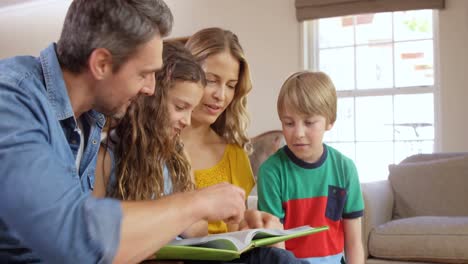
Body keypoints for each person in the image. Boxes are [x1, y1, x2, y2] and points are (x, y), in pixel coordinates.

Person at [0, 1, 248, 263]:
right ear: (102, 64)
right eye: (145, 74)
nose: (151, 89)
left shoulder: (90, 118)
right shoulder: (12, 102)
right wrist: (196, 203)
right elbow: (71, 237)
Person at [93, 41, 208, 238]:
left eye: (192, 110)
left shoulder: (177, 154)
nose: (187, 121)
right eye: (180, 107)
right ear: (151, 99)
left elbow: (200, 228)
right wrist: (178, 218)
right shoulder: (105, 156)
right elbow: (96, 230)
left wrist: (185, 218)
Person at [257, 71, 365, 263]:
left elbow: (354, 242)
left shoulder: (345, 168)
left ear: (330, 121)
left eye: (309, 122)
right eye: (288, 123)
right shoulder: (271, 172)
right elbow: (276, 246)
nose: (298, 133)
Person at [182, 27, 257, 234]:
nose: (221, 95)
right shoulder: (147, 148)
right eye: (211, 80)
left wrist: (256, 226)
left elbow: (238, 232)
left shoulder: (235, 155)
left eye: (231, 85)